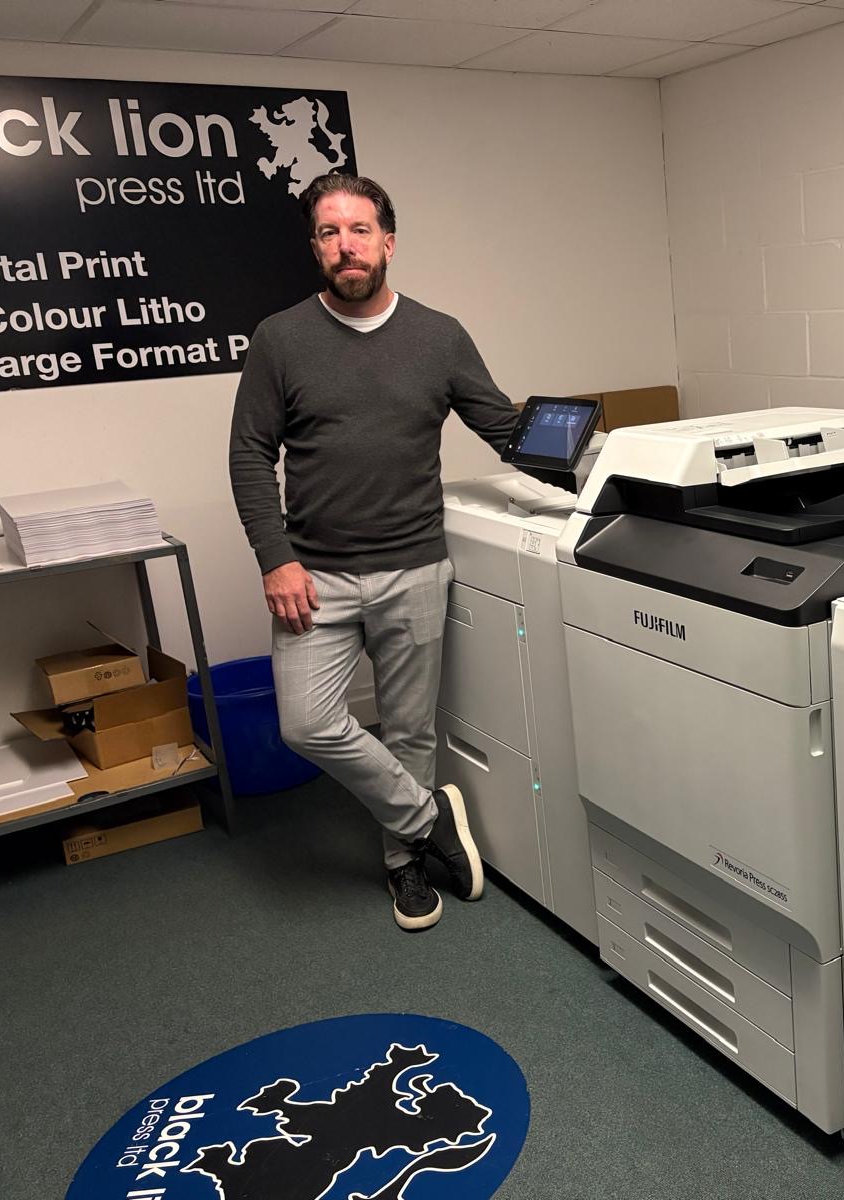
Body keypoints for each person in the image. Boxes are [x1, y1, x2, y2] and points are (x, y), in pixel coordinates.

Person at [228, 173, 519, 931]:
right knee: (306, 724)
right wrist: (274, 557)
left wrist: (601, 461)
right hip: (313, 576)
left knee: (409, 730)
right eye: (329, 233)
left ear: (387, 243)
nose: (345, 245)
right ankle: (427, 820)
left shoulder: (439, 336)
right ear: (315, 248)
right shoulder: (280, 338)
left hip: (415, 567)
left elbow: (503, 427)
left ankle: (403, 864)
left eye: (359, 230)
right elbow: (249, 454)